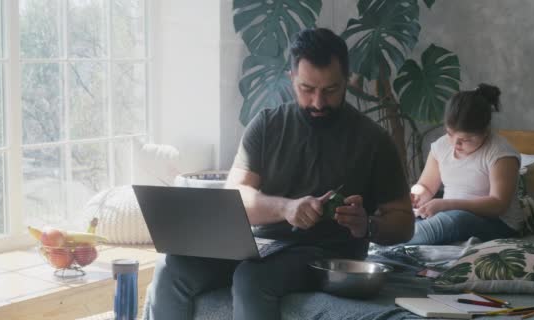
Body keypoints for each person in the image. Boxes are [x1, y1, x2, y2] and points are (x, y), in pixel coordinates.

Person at [144, 28, 414, 320]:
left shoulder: (373, 140)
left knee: (251, 279)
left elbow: (404, 222)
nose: (318, 102)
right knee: (171, 267)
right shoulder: (267, 125)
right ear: (291, 80)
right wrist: (286, 208)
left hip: (325, 253)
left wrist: (368, 226)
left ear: (346, 80)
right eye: (307, 89)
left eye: (331, 90)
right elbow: (236, 196)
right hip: (259, 246)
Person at [407, 84, 523, 245]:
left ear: (486, 130)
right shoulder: (440, 147)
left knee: (453, 221)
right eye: (450, 134)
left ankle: (392, 242)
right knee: (407, 221)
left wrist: (447, 205)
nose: (455, 143)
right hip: (450, 214)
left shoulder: (501, 154)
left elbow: (498, 204)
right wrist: (417, 196)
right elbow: (426, 186)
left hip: (496, 223)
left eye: (466, 139)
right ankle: (387, 241)